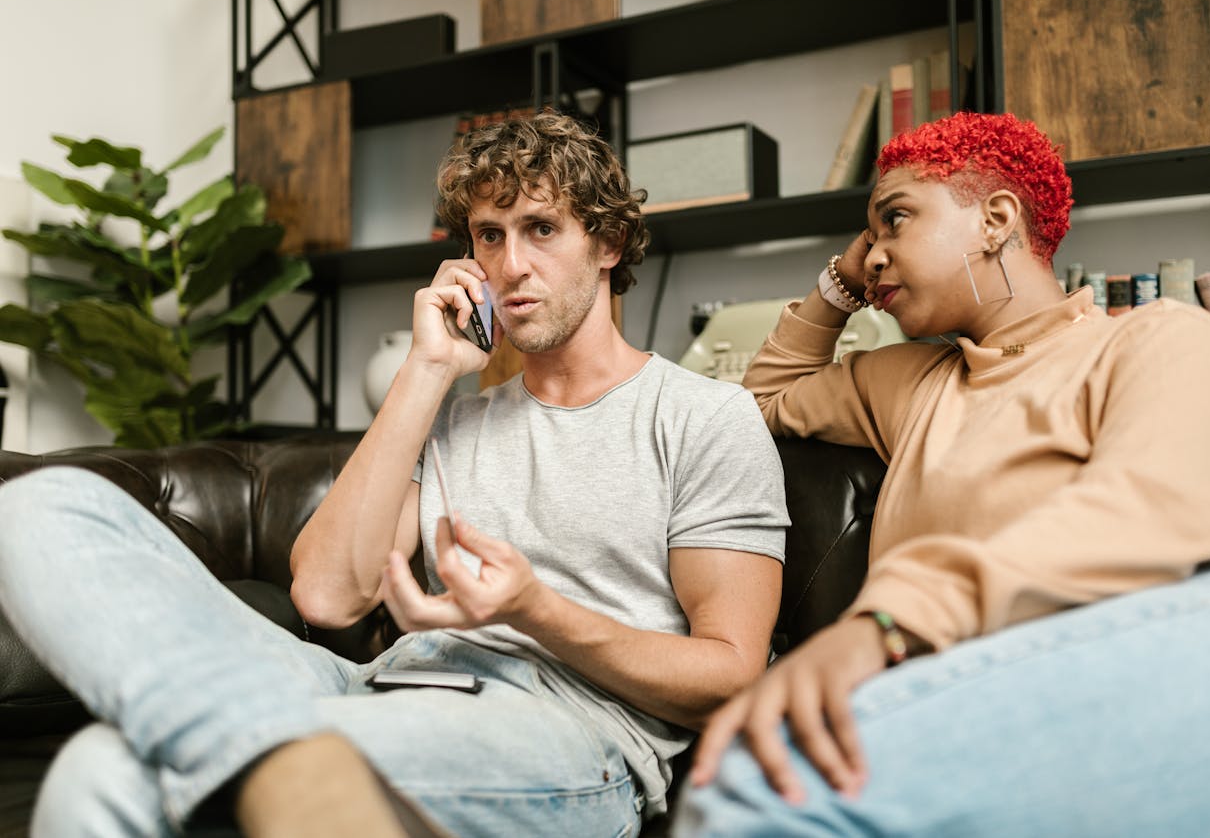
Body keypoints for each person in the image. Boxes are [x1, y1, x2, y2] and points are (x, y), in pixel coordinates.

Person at [0, 111, 789, 838]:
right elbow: (325, 595)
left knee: (107, 768)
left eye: (541, 228)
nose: (511, 265)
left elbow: (729, 673)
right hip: (377, 684)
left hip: (563, 726)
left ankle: (268, 756)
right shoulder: (455, 415)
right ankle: (283, 760)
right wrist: (427, 367)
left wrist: (535, 609)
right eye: (488, 235)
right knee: (39, 505)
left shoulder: (705, 417)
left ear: (608, 244)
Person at [673, 111, 1210, 836]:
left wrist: (891, 620)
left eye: (895, 220)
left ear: (996, 219)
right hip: (984, 686)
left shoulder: (1159, 336)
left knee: (753, 787)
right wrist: (839, 280)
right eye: (870, 237)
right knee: (751, 777)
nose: (873, 255)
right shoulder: (910, 383)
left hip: (1178, 647)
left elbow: (1156, 515)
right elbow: (756, 403)